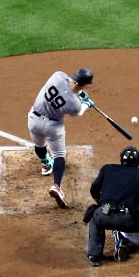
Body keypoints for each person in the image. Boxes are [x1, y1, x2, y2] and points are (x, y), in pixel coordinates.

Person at [86, 146, 139, 271]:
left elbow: (94, 190)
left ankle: (94, 255)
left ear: (121, 160)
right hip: (130, 217)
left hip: (107, 210)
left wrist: (102, 204)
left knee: (94, 216)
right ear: (138, 162)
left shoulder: (107, 169)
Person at [28, 68, 94, 208]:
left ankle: (46, 164)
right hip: (53, 127)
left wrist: (79, 92)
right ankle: (56, 185)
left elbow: (68, 84)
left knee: (39, 145)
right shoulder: (74, 104)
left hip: (34, 119)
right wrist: (87, 103)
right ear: (85, 85)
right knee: (59, 156)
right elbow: (79, 111)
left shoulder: (58, 76)